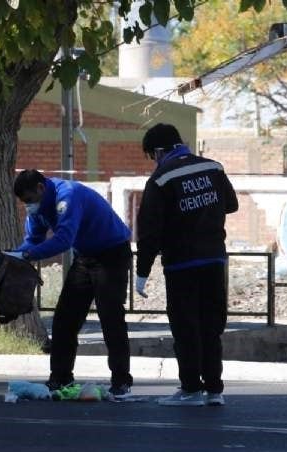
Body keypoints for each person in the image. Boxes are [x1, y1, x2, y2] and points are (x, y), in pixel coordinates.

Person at [135, 124, 238, 406]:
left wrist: (142, 272)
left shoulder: (161, 178)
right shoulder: (213, 168)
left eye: (151, 156)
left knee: (186, 327)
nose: (152, 161)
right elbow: (231, 205)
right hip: (215, 258)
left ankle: (191, 389)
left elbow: (149, 231)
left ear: (158, 151)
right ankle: (214, 390)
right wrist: (205, 213)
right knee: (211, 326)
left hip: (182, 263)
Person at [13, 169, 133, 397]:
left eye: (29, 200)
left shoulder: (67, 195)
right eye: (24, 203)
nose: (28, 206)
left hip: (112, 254)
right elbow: (33, 239)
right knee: (64, 319)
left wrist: (29, 256)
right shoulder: (38, 207)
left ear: (40, 188)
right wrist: (13, 255)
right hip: (85, 257)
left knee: (111, 318)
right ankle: (60, 378)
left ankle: (121, 382)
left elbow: (63, 240)